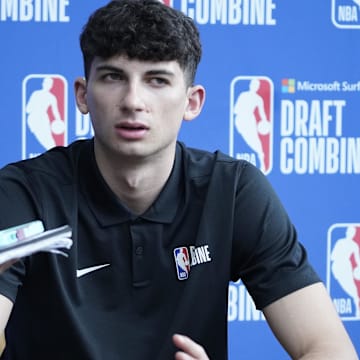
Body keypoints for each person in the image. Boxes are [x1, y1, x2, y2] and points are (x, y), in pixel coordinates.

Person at [0, 0, 357, 359]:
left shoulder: (232, 192)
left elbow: (327, 347)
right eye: (113, 77)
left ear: (192, 102)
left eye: (157, 80)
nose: (133, 101)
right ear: (82, 95)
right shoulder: (25, 193)